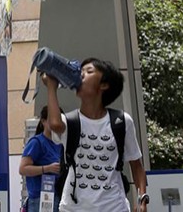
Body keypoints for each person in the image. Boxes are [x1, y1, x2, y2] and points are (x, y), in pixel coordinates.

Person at [44, 58, 148, 212]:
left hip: (114, 207)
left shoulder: (121, 122)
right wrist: (51, 88)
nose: (81, 75)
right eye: (80, 72)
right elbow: (55, 125)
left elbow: (136, 165)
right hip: (73, 208)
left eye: (89, 71)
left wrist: (142, 198)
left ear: (104, 85)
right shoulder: (71, 122)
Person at [19, 105, 64, 212]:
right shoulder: (37, 142)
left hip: (58, 196)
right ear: (43, 121)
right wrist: (47, 168)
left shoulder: (61, 144)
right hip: (40, 197)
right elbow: (23, 169)